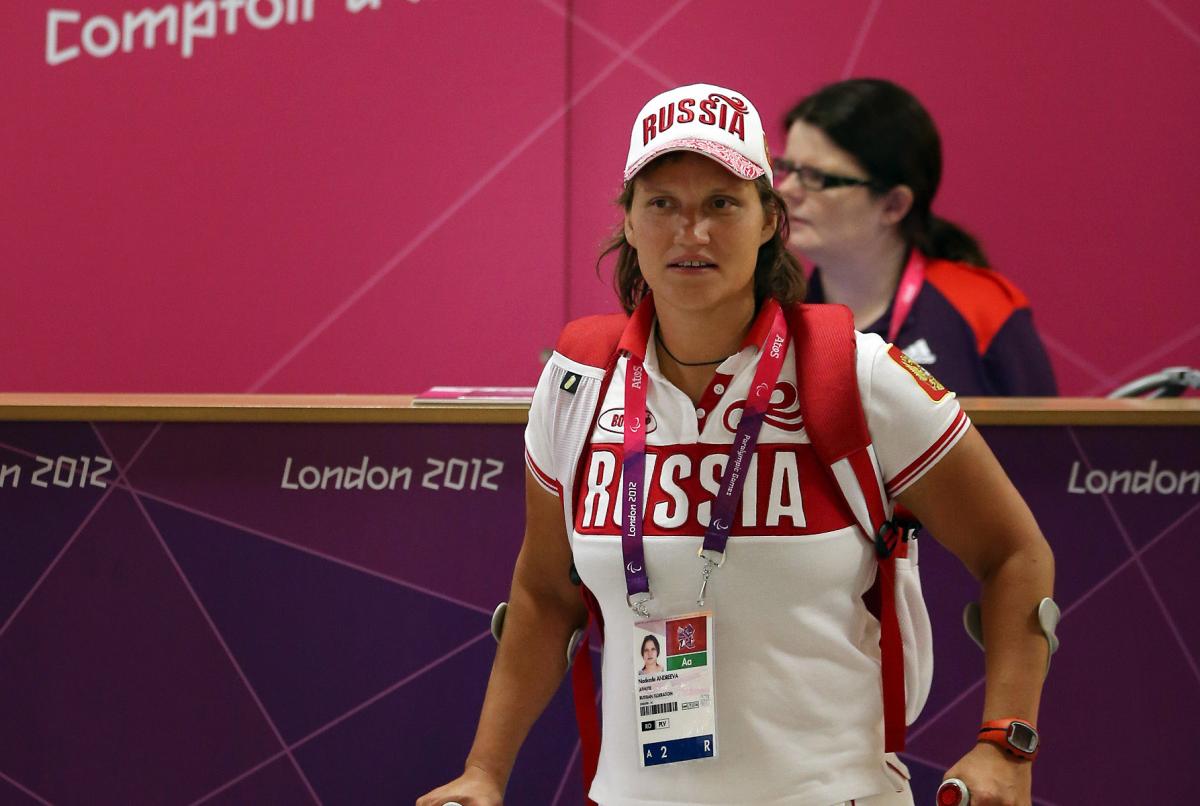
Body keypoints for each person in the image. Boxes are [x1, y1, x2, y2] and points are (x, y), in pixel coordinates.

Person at [418, 83, 1055, 806]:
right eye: (662, 203)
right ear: (627, 222)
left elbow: (1015, 554)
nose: (692, 231)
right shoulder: (575, 386)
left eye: (722, 203)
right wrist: (485, 773)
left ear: (768, 222)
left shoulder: (858, 373)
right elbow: (542, 595)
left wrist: (1007, 743)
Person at [778, 78, 1058, 396]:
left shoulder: (982, 308)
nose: (786, 190)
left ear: (894, 205)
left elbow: (1048, 444)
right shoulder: (774, 316)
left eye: (816, 177)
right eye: (788, 168)